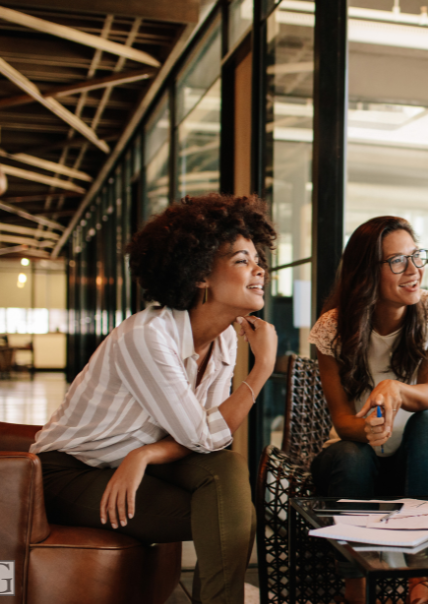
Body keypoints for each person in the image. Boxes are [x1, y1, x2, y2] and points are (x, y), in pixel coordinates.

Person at [30, 194, 278, 604]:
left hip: (136, 461)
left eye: (257, 259)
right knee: (229, 511)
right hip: (67, 474)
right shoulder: (147, 335)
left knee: (225, 472)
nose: (259, 269)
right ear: (200, 274)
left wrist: (142, 457)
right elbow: (204, 434)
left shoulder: (225, 342)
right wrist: (262, 369)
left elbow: (208, 440)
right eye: (241, 260)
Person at [309, 215, 428, 498]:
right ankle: (350, 542)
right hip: (355, 450)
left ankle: (425, 537)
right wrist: (372, 430)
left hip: (421, 453)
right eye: (398, 260)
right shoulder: (332, 328)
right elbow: (342, 419)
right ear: (366, 272)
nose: (413, 270)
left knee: (427, 421)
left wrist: (395, 387)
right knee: (353, 456)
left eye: (416, 256)